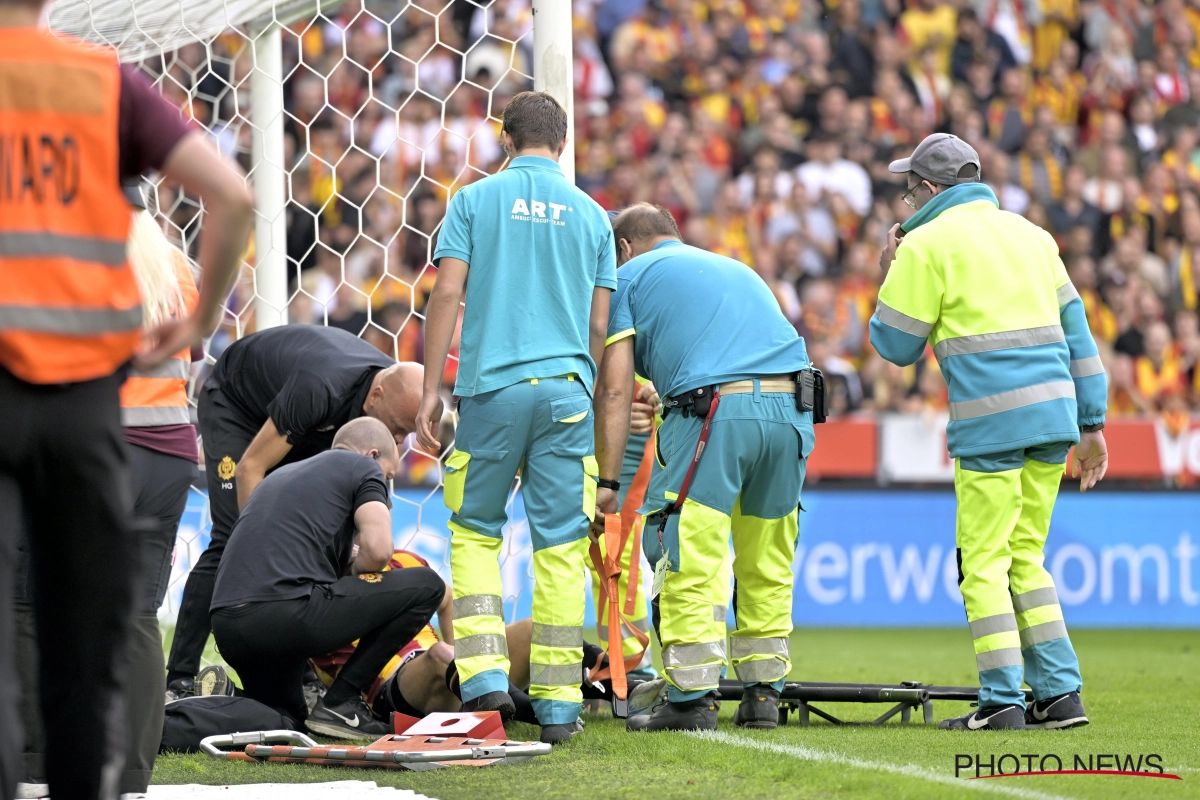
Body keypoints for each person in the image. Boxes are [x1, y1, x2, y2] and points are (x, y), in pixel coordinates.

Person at [0, 6, 252, 797]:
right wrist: (206, 316)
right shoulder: (98, 81)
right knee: (95, 630)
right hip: (89, 404)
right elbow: (233, 196)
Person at [871, 133, 1108, 731]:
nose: (906, 200)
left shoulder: (925, 245)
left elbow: (895, 346)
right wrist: (1093, 424)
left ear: (927, 189)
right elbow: (1078, 336)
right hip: (1054, 421)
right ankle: (1060, 695)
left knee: (982, 566)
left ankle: (1001, 701)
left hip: (992, 425)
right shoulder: (1033, 237)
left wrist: (889, 272)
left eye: (908, 190)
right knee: (1026, 559)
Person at [416, 90, 617, 745]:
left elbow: (448, 289)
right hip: (567, 395)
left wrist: (428, 389)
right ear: (561, 144)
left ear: (506, 140)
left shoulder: (474, 201)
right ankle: (559, 706)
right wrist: (579, 394)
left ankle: (484, 681)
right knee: (560, 547)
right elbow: (598, 325)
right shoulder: (593, 217)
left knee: (476, 532)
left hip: (493, 390)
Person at [592, 203, 817, 733]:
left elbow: (616, 387)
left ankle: (691, 699)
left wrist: (607, 481)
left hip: (716, 412)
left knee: (690, 549)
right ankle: (763, 694)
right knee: (768, 554)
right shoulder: (732, 267)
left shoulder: (622, 277)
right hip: (794, 409)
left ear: (622, 247)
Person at [13, 187, 203, 795]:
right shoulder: (178, 270)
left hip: (100, 441)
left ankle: (34, 751)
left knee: (27, 591)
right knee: (141, 611)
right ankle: (134, 770)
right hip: (171, 449)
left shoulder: (81, 256)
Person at [166, 326, 424, 699]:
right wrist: (260, 539)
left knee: (318, 538)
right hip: (237, 408)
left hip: (300, 426)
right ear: (376, 396)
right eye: (398, 429)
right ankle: (180, 678)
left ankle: (301, 673)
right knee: (232, 539)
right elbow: (250, 467)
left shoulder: (388, 393)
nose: (397, 441)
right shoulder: (321, 387)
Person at [209, 418, 446, 738]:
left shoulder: (280, 476)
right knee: (428, 584)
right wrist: (356, 574)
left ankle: (185, 712)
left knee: (284, 721)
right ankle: (343, 702)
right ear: (372, 455)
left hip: (227, 625)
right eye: (388, 477)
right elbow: (378, 552)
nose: (386, 489)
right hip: (286, 613)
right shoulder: (363, 468)